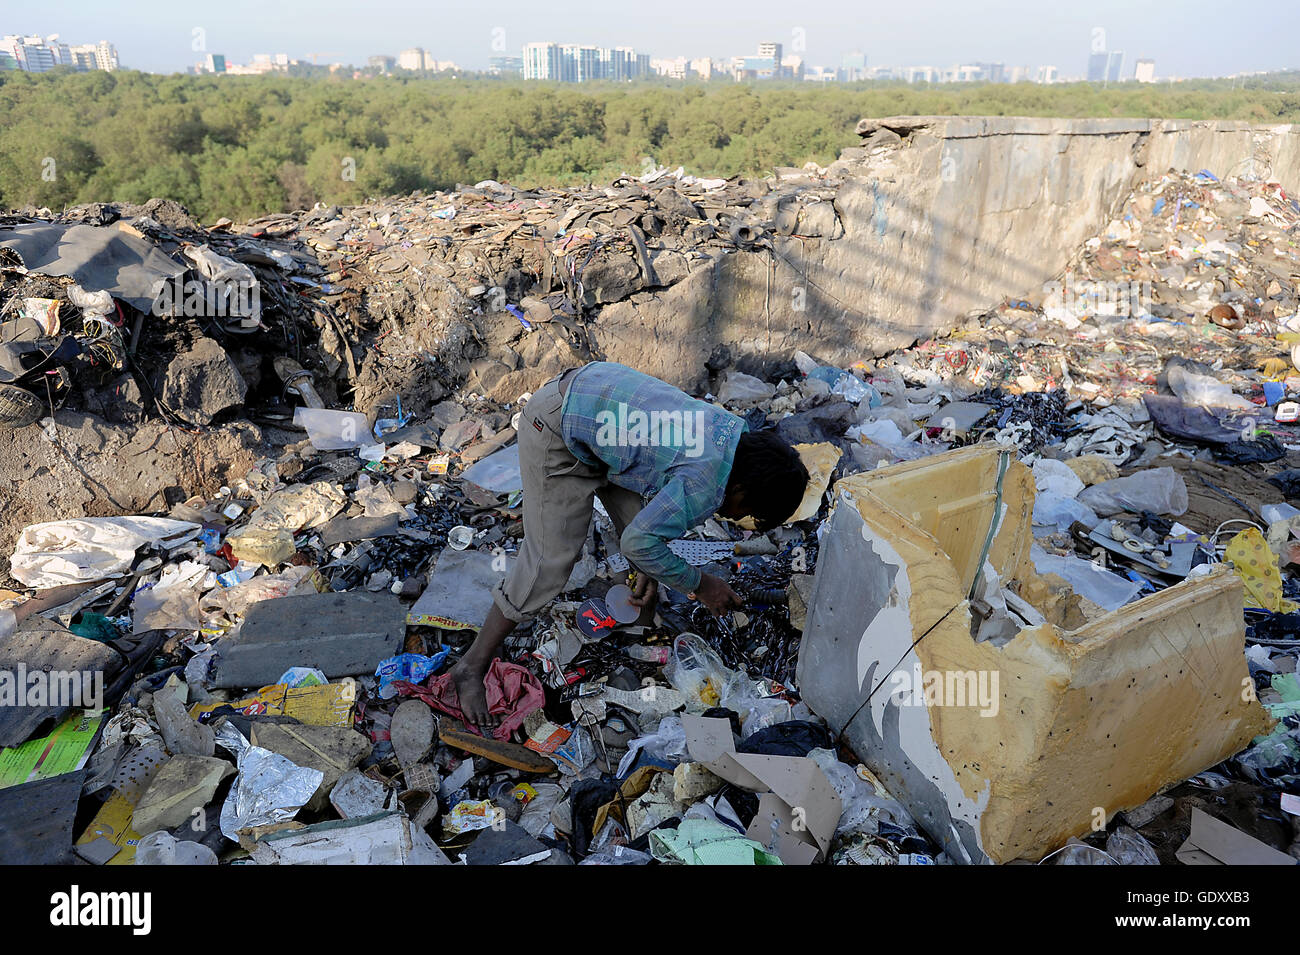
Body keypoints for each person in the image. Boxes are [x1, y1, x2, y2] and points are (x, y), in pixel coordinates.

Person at [449, 360, 809, 729]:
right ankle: (471, 667)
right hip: (557, 429)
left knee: (645, 536)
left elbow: (646, 515)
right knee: (549, 563)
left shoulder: (731, 434)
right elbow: (641, 540)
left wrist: (648, 564)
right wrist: (702, 585)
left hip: (598, 403)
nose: (735, 519)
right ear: (740, 490)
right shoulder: (705, 484)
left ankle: (635, 592)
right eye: (744, 511)